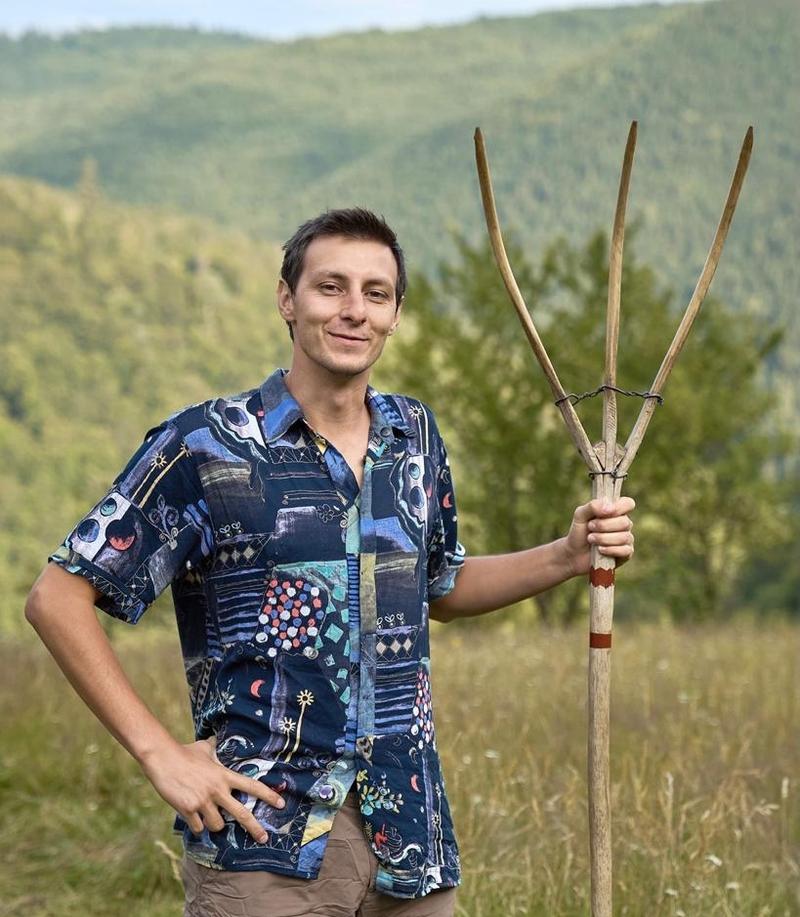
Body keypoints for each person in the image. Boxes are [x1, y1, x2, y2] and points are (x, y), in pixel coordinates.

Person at [25, 207, 634, 917]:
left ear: (397, 313)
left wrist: (565, 554)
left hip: (411, 839)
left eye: (376, 293)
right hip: (266, 846)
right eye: (331, 287)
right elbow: (57, 596)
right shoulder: (207, 445)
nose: (354, 310)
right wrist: (161, 753)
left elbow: (441, 584)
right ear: (288, 299)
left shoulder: (415, 436)